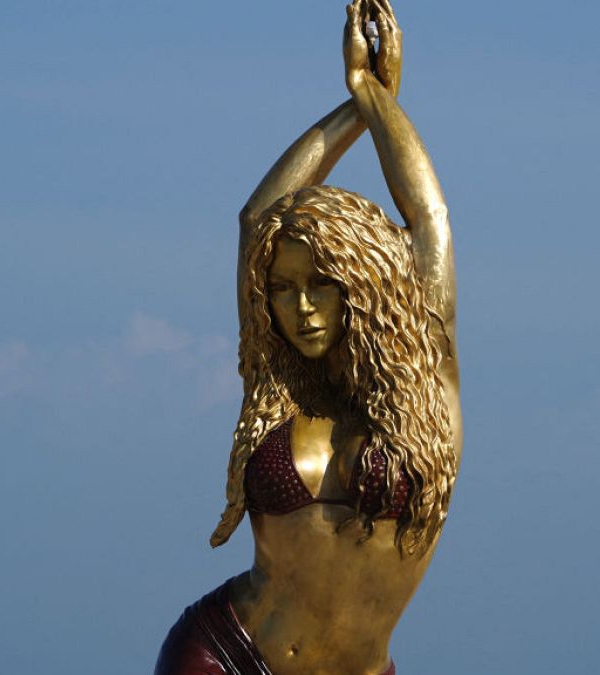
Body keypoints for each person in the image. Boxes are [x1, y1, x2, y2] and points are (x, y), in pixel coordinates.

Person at [155, 1, 462, 673]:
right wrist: (354, 107)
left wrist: (374, 94)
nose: (301, 308)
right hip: (226, 653)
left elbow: (429, 218)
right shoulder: (276, 383)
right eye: (284, 289)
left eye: (322, 284)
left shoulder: (426, 388)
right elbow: (257, 218)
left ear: (365, 288)